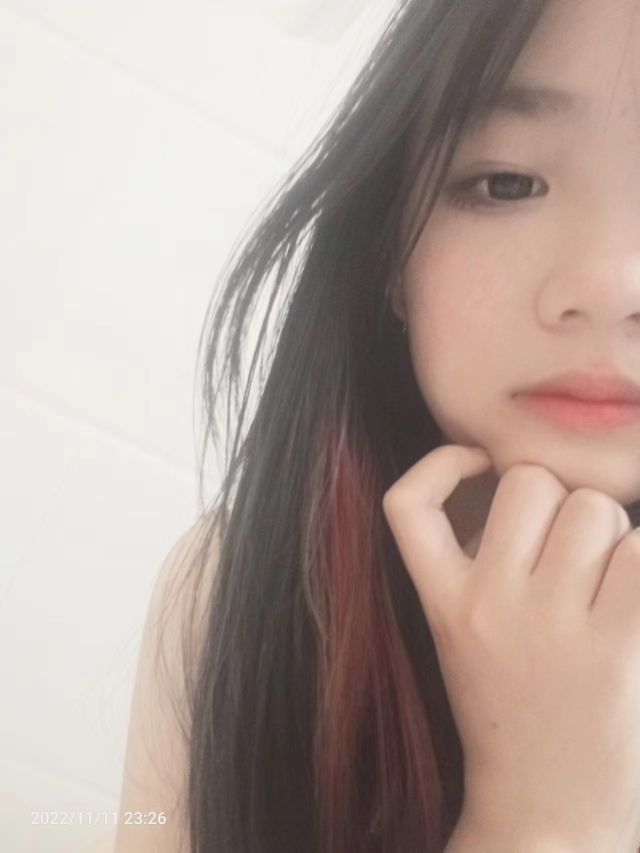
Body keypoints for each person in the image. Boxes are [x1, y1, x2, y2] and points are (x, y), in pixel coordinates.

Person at [114, 0, 640, 851]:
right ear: (391, 254)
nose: (612, 285)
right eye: (508, 182)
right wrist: (543, 821)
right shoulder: (234, 586)